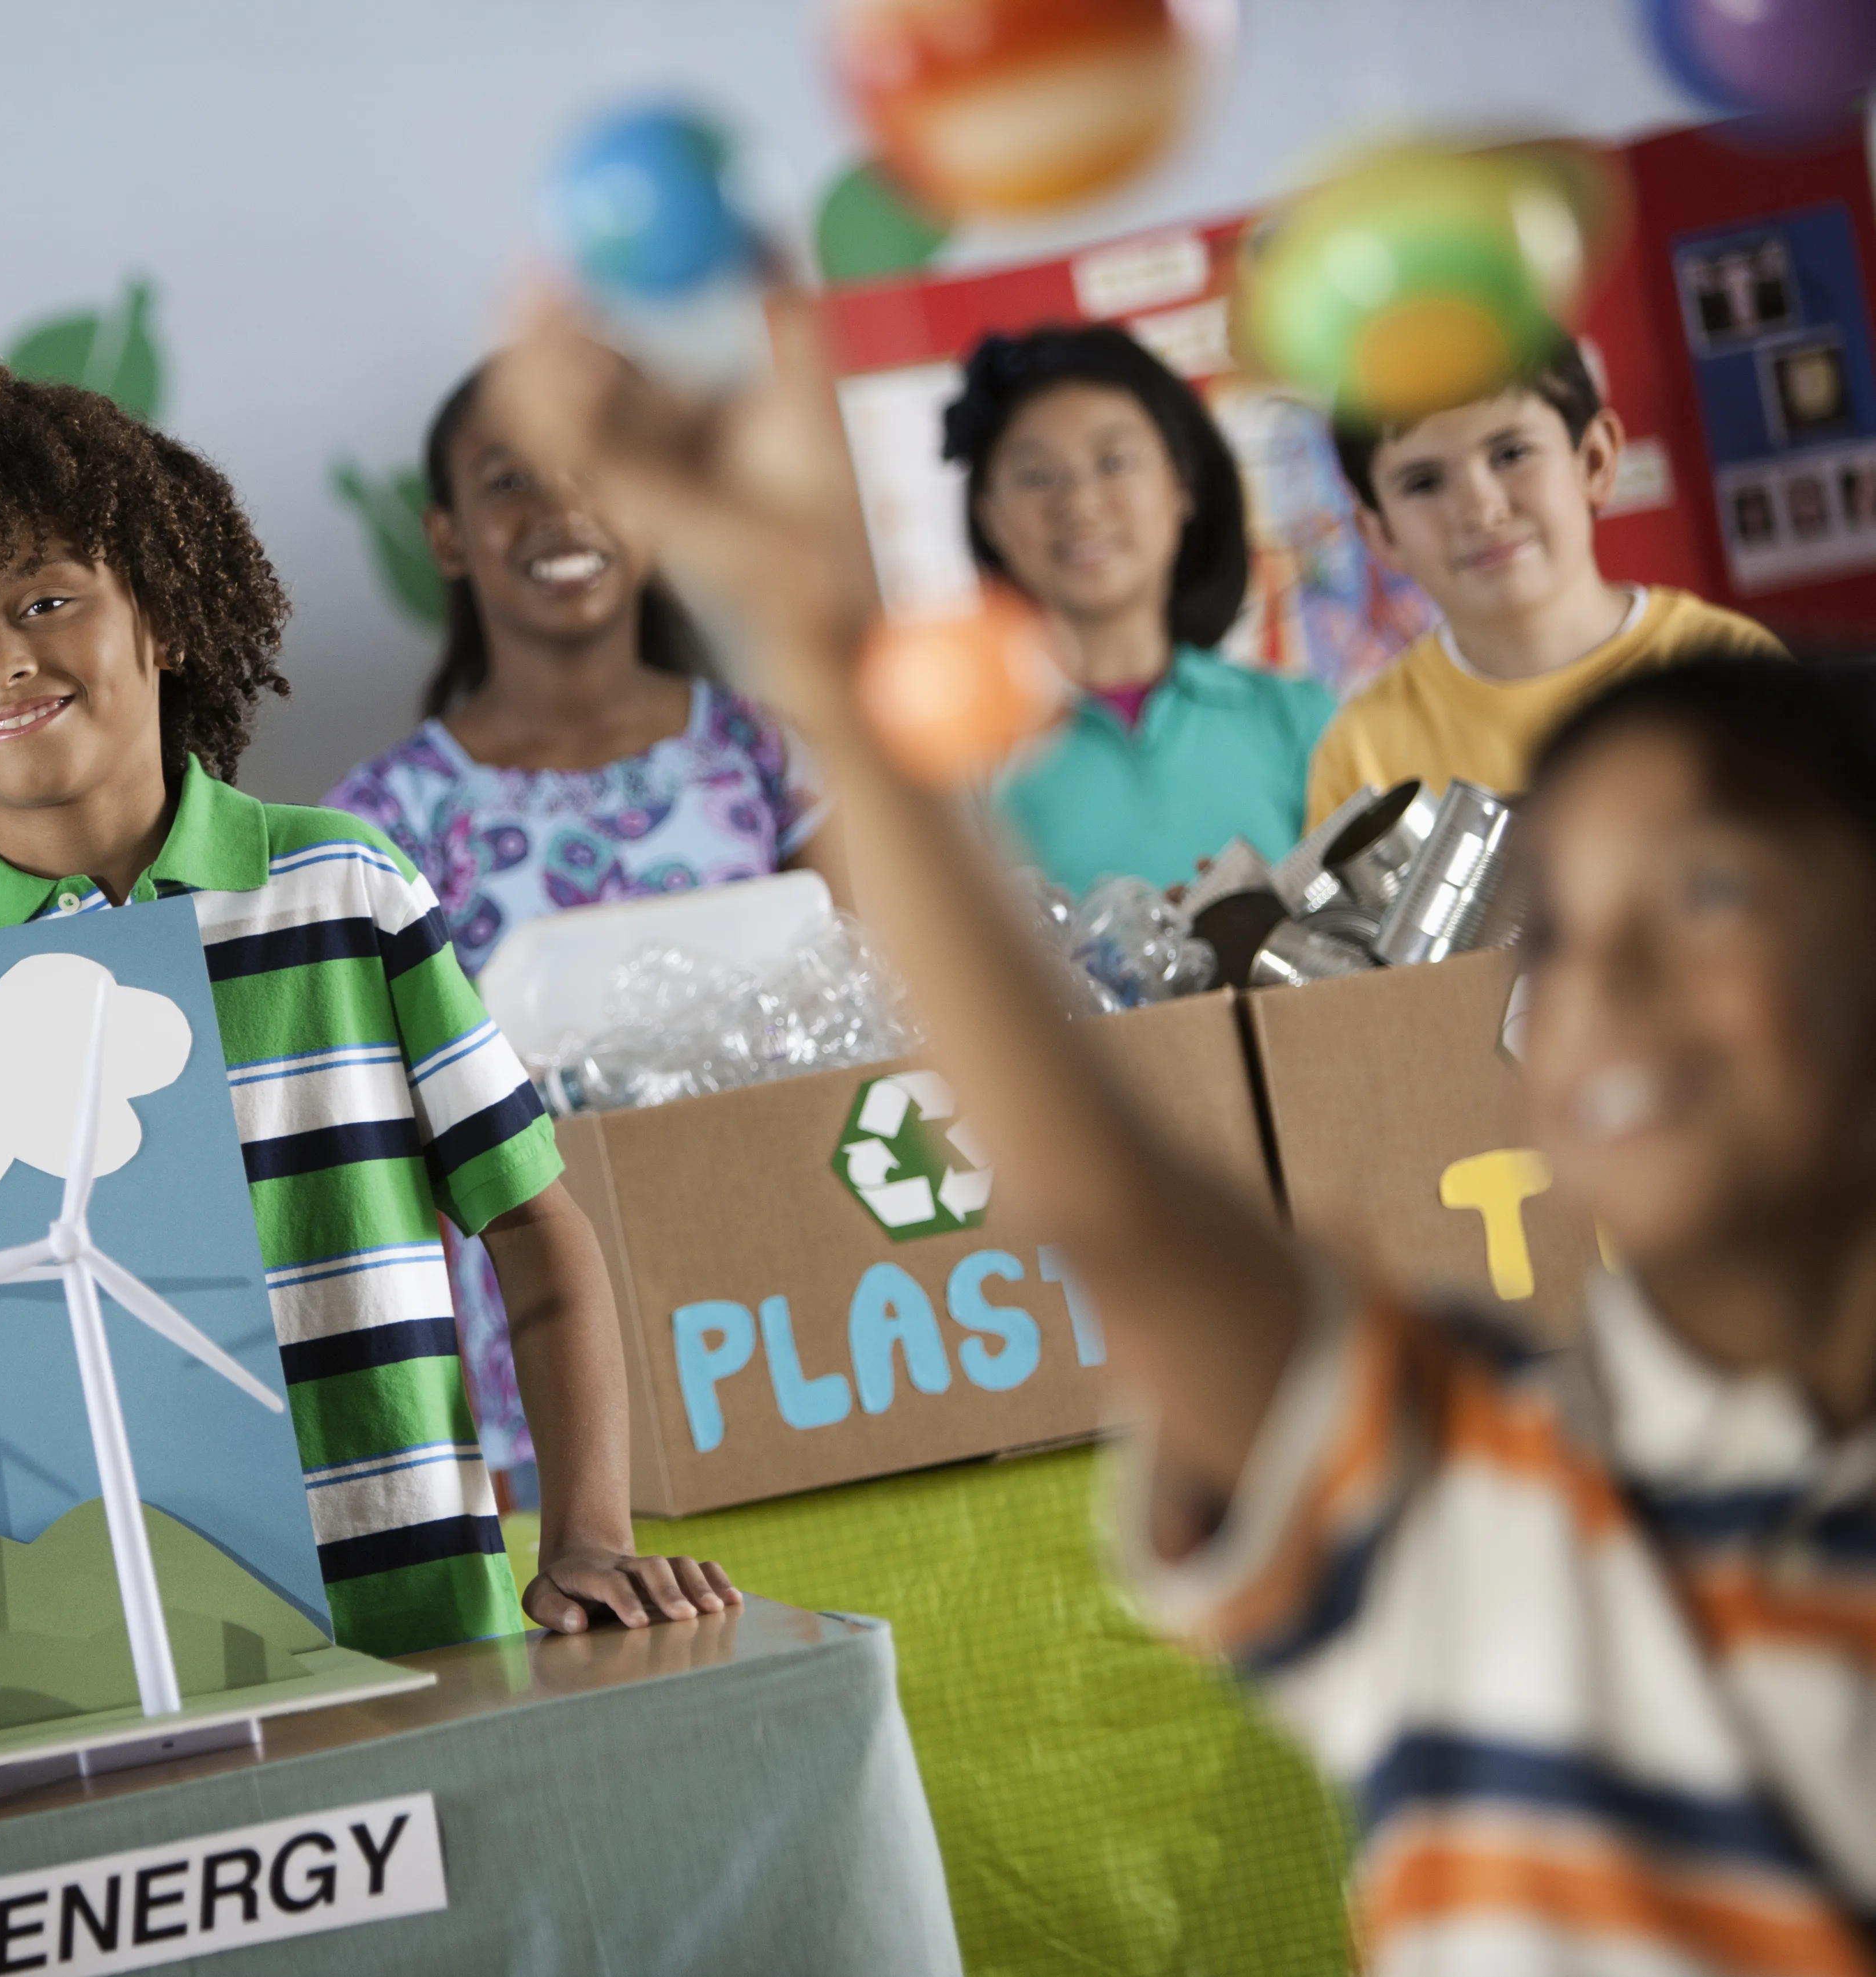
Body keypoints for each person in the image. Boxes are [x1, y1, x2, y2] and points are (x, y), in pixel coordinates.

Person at [490, 291, 1876, 1970]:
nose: (1613, 983)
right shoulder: (1493, 1466)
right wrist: (821, 653)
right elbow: (1120, 1205)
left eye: (1709, 894)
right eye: (1559, 932)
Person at [0, 363, 735, 1652]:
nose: (1, 662)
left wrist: (584, 1533)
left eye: (46, 600)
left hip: (418, 1631)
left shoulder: (342, 887)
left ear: (162, 616)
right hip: (68, 1679)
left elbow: (533, 1226)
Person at [324, 356, 841, 1503]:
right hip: (530, 1352)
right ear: (448, 536)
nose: (561, 510)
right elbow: (366, 1129)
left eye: (597, 471)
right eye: (510, 481)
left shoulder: (768, 752)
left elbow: (879, 1008)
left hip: (799, 1296)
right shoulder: (382, 820)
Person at [1306, 333, 1782, 826]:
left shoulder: (1732, 667)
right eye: (1424, 482)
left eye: (1511, 454)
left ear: (1595, 460)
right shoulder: (1360, 755)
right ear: (1381, 532)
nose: (1483, 510)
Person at [946, 325, 1334, 894]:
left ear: (1181, 484)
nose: (1079, 503)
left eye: (1114, 461)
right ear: (989, 516)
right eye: (1034, 475)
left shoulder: (1296, 719)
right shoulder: (961, 767)